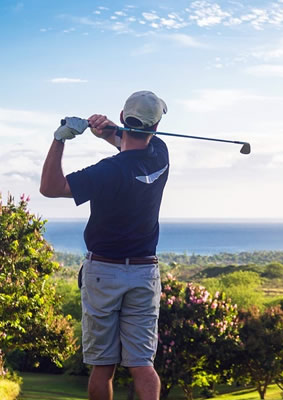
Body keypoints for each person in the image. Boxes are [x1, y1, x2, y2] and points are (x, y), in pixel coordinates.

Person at [40, 90, 169, 400]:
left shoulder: (107, 171)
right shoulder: (161, 154)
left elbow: (50, 187)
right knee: (142, 365)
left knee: (103, 366)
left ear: (125, 117)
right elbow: (130, 142)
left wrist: (60, 138)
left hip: (104, 274)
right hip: (144, 273)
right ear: (155, 128)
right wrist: (108, 131)